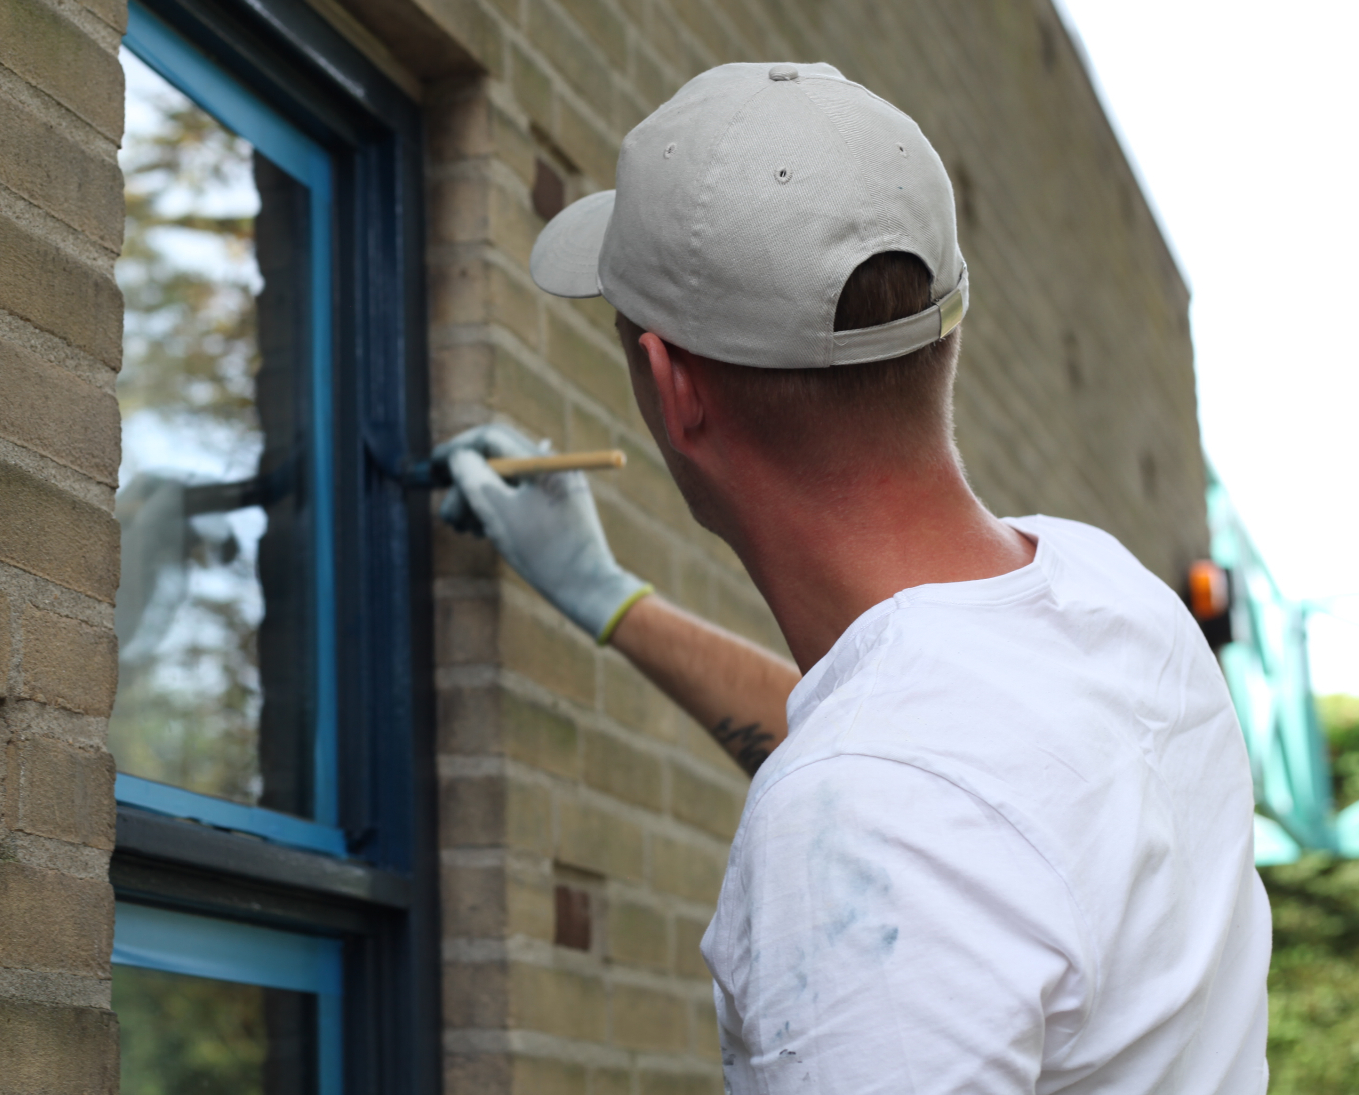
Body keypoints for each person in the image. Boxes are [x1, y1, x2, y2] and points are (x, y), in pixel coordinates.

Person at [433, 63, 1269, 1094]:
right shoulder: (1113, 595)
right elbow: (936, 778)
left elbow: (898, 794)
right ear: (945, 326)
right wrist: (613, 600)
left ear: (673, 384)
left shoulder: (869, 809)